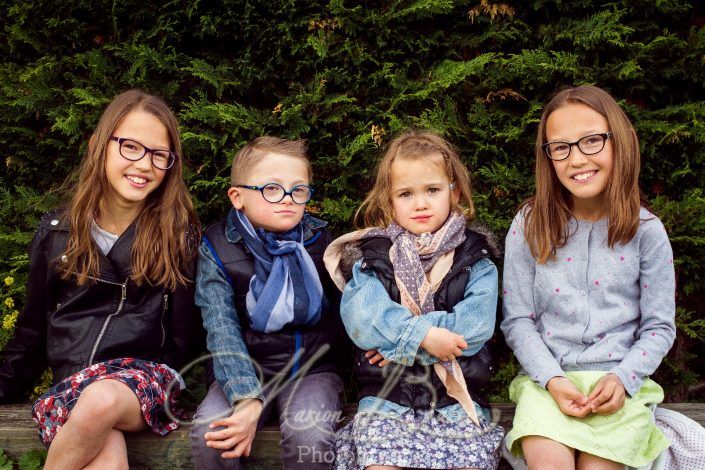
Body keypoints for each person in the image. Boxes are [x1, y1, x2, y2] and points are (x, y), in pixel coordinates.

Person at [0, 89, 203, 469]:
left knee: (102, 400)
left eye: (159, 155)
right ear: (98, 146)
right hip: (73, 388)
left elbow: (186, 334)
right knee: (106, 452)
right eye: (130, 147)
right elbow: (31, 331)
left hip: (146, 382)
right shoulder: (58, 232)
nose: (144, 164)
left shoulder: (178, 236)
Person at [501, 85, 676, 469]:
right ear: (547, 157)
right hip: (548, 386)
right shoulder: (529, 224)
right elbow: (517, 320)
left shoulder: (647, 231)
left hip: (617, 389)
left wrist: (624, 378)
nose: (577, 158)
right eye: (560, 147)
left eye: (592, 141)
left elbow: (659, 327)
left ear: (619, 142)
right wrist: (552, 380)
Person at [324, 129, 505, 470]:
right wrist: (426, 337)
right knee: (380, 465)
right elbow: (364, 319)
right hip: (387, 399)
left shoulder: (476, 259)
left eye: (432, 190)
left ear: (455, 192)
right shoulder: (373, 258)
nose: (420, 203)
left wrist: (396, 343)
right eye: (406, 193)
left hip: (453, 401)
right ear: (388, 201)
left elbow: (474, 326)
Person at [189, 136, 345, 469]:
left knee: (310, 436)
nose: (287, 199)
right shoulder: (217, 248)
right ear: (237, 196)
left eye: (298, 190)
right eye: (272, 189)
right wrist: (245, 397)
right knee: (211, 432)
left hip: (312, 370)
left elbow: (352, 308)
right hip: (244, 369)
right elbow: (221, 326)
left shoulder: (321, 242)